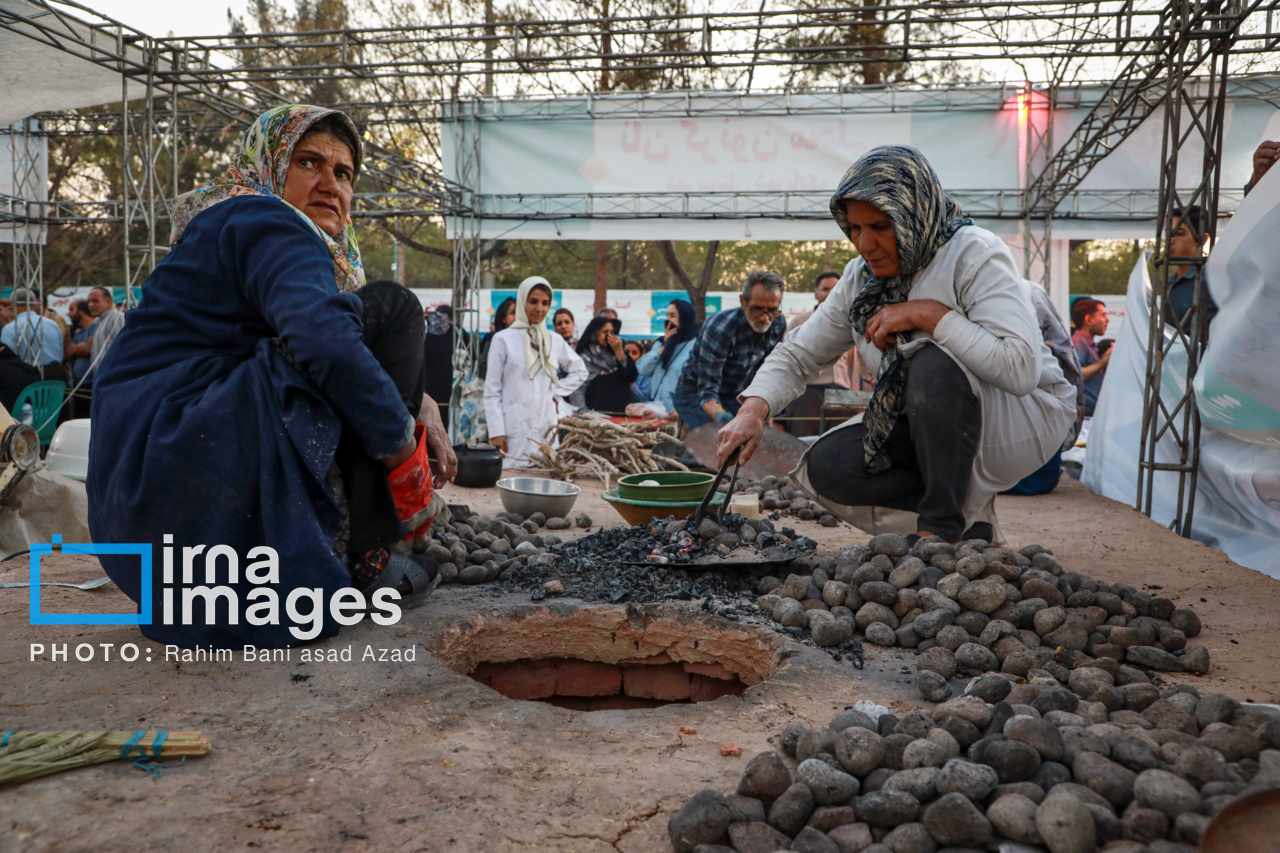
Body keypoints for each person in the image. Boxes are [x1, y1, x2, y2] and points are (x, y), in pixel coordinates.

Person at [88, 105, 457, 650]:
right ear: (269, 166)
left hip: (147, 518)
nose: (330, 184)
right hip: (182, 459)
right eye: (309, 162)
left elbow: (320, 335)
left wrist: (420, 399)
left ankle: (325, 550)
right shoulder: (267, 217)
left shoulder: (230, 226)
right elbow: (325, 341)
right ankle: (370, 556)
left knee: (353, 331)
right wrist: (406, 461)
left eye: (344, 173)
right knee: (395, 306)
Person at [718, 146, 1075, 544]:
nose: (864, 244)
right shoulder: (859, 278)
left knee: (930, 364)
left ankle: (939, 532)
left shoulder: (974, 253)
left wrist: (931, 316)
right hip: (923, 422)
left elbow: (1019, 369)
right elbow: (800, 352)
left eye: (880, 227)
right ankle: (965, 516)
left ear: (914, 212)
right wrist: (754, 409)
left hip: (1016, 415)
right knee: (830, 465)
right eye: (854, 229)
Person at [484, 276, 587, 464]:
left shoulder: (553, 339)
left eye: (545, 303)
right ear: (522, 300)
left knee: (546, 479)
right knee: (511, 480)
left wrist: (555, 391)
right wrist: (497, 431)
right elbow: (492, 391)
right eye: (533, 301)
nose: (539, 309)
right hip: (513, 427)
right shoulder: (503, 339)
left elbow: (580, 370)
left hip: (546, 426)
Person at [673, 270, 787, 430]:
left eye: (772, 310)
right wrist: (721, 417)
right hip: (695, 393)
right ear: (743, 301)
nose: (765, 318)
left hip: (735, 395)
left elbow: (765, 373)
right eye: (757, 309)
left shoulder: (778, 324)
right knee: (716, 440)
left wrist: (763, 412)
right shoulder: (720, 329)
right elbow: (707, 391)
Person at [783, 269, 864, 437]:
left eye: (835, 289)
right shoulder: (799, 322)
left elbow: (853, 364)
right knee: (803, 441)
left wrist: (855, 393)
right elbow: (787, 360)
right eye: (825, 289)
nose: (830, 293)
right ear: (816, 294)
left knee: (838, 442)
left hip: (842, 394)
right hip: (808, 393)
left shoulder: (851, 322)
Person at [636, 299, 698, 415]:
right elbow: (642, 370)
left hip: (679, 414)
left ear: (684, 318)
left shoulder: (695, 347)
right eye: (667, 315)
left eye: (672, 316)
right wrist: (663, 348)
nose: (668, 320)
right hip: (655, 412)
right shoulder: (660, 344)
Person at [1164, 205, 1218, 338]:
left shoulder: (1213, 278)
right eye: (1167, 234)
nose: (1170, 241)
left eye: (1179, 234)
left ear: (1202, 239)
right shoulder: (1170, 281)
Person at [573, 316, 638, 415]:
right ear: (594, 334)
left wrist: (619, 352)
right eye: (605, 332)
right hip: (598, 416)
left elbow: (631, 376)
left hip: (622, 415)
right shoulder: (585, 357)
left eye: (612, 332)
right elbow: (578, 389)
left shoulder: (615, 352)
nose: (609, 336)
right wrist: (582, 412)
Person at [2, 288, 67, 382]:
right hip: (55, 380)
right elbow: (60, 353)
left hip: (26, 381)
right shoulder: (52, 324)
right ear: (34, 303)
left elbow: (6, 361)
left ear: (12, 304)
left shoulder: (10, 329)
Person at [423, 305, 467, 427]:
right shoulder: (457, 331)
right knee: (450, 421)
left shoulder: (425, 330)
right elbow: (472, 354)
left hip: (427, 385)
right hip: (449, 384)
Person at [1071, 298, 1109, 417]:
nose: (1107, 320)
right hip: (1086, 412)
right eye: (1103, 315)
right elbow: (1075, 374)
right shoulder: (1078, 342)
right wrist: (1102, 363)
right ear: (1088, 319)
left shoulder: (1090, 344)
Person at [478, 296, 516, 381]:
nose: (516, 317)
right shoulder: (494, 338)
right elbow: (484, 368)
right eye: (512, 313)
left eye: (519, 313)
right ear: (503, 318)